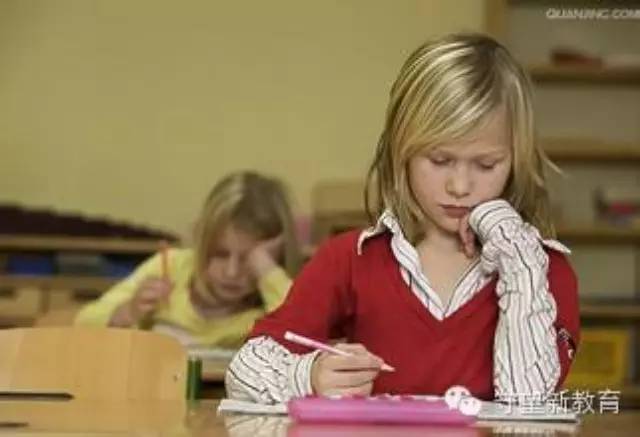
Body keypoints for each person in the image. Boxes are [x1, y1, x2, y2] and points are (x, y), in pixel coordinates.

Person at [225, 33, 580, 403]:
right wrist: (307, 375)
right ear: (401, 152)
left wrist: (518, 259)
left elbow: (527, 402)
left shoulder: (543, 270)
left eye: (486, 164)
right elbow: (244, 370)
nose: (460, 186)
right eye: (439, 160)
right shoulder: (351, 260)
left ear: (516, 162)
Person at [75, 171, 301, 348]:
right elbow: (83, 323)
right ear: (201, 241)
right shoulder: (172, 266)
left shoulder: (273, 301)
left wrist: (268, 274)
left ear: (276, 256)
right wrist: (127, 313)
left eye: (249, 259)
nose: (231, 272)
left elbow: (300, 338)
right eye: (219, 254)